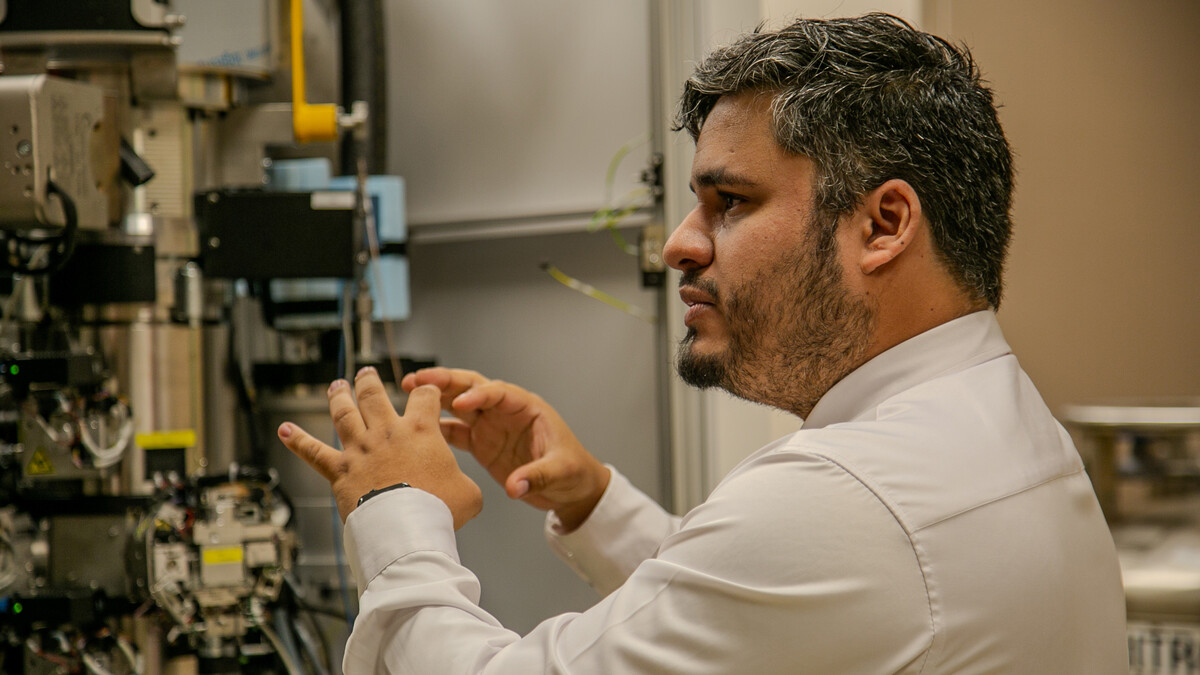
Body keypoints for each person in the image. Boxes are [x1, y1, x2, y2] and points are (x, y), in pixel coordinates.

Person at [277, 13, 1127, 674]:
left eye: (731, 201)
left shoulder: (850, 497)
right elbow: (785, 608)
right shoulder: (993, 422)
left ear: (884, 223)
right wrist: (594, 502)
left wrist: (397, 514)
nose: (680, 242)